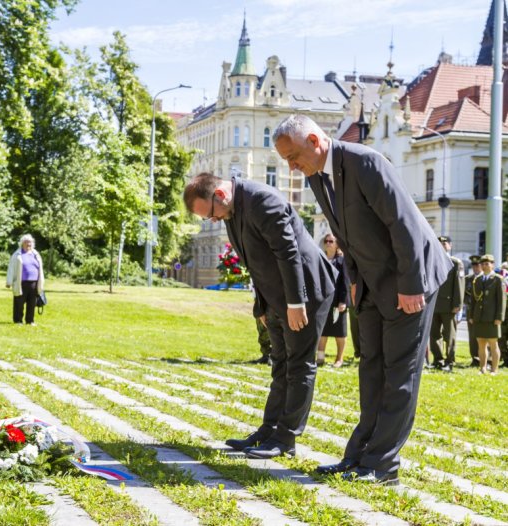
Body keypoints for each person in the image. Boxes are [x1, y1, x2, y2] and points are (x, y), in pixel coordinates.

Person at [274, 114, 450, 486]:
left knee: (399, 373)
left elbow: (403, 224)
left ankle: (383, 465)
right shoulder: (317, 177)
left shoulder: (366, 162)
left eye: (292, 156)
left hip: (409, 279)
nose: (291, 166)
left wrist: (412, 284)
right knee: (370, 369)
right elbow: (346, 234)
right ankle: (358, 456)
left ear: (314, 140)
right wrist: (353, 282)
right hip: (370, 283)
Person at [184, 172, 336, 459]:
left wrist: (295, 303)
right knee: (280, 363)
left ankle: (286, 439)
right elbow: (255, 263)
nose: (213, 221)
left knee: (299, 366)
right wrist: (262, 308)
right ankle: (269, 431)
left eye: (211, 215)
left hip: (305, 294)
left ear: (220, 195)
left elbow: (288, 254)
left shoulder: (262, 200)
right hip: (278, 298)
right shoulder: (231, 213)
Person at [428, 236, 465, 371]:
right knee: (434, 334)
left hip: (449, 305)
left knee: (449, 335)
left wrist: (458, 305)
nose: (442, 245)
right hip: (434, 304)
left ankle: (450, 361)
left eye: (444, 243)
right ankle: (437, 360)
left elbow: (459, 285)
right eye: (439, 243)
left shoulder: (455, 263)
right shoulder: (431, 261)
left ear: (450, 245)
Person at [468, 254, 505, 375]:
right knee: (481, 344)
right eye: (482, 264)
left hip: (492, 317)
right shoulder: (477, 280)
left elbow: (501, 301)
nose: (484, 266)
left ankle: (494, 369)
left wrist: (499, 317)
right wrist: (471, 316)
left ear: (492, 264)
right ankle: (482, 368)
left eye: (487, 263)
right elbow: (473, 300)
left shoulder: (498, 279)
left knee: (494, 344)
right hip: (479, 317)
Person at [317, 234, 348, 367]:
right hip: (323, 301)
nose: (328, 243)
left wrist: (343, 300)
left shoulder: (341, 261)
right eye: (326, 241)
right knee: (322, 330)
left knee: (339, 332)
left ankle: (339, 359)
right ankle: (320, 357)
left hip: (337, 301)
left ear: (337, 244)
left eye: (331, 241)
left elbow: (345, 282)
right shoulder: (320, 258)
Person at [6, 234, 45, 325]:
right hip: (21, 282)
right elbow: (11, 268)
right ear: (22, 244)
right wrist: (9, 281)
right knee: (19, 302)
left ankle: (30, 320)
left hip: (34, 282)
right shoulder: (17, 255)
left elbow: (40, 269)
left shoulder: (36, 254)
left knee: (32, 303)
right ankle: (18, 320)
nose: (28, 244)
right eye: (26, 242)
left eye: (30, 242)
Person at [464, 255, 484, 367]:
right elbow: (464, 294)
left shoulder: (487, 278)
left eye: (478, 265)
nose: (476, 268)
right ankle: (475, 358)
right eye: (474, 265)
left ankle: (487, 359)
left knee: (485, 335)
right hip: (471, 311)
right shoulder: (468, 279)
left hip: (484, 312)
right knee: (472, 336)